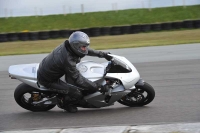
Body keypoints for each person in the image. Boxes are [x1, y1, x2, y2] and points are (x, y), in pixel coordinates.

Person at [37, 31, 111, 113]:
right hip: (48, 80)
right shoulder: (68, 59)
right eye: (83, 47)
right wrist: (99, 87)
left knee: (81, 81)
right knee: (77, 93)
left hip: (52, 69)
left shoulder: (69, 46)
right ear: (76, 46)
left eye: (85, 46)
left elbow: (87, 51)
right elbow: (78, 79)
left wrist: (103, 54)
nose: (85, 48)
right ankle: (66, 104)